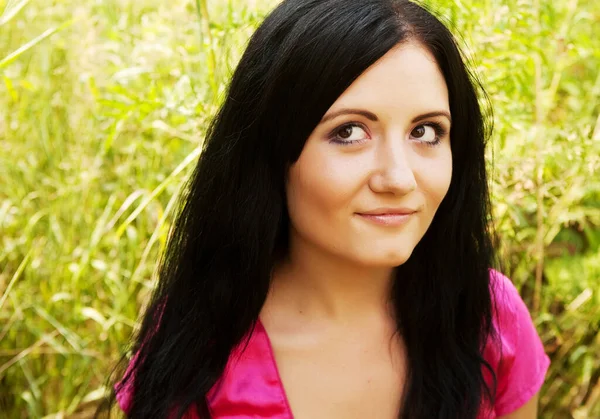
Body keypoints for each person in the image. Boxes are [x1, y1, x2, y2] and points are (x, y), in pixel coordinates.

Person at [109, 0, 550, 417]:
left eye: (427, 131)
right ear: (274, 149)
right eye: (350, 132)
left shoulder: (490, 320)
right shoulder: (197, 346)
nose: (398, 178)